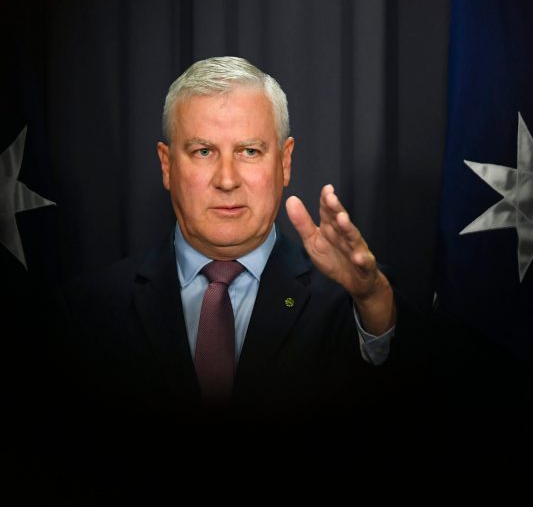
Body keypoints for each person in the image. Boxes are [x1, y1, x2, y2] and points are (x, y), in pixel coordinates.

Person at [58, 56, 426, 428]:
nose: (227, 179)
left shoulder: (354, 304)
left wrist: (372, 299)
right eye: (203, 152)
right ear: (167, 166)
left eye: (249, 151)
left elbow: (424, 397)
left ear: (284, 163)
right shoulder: (87, 309)